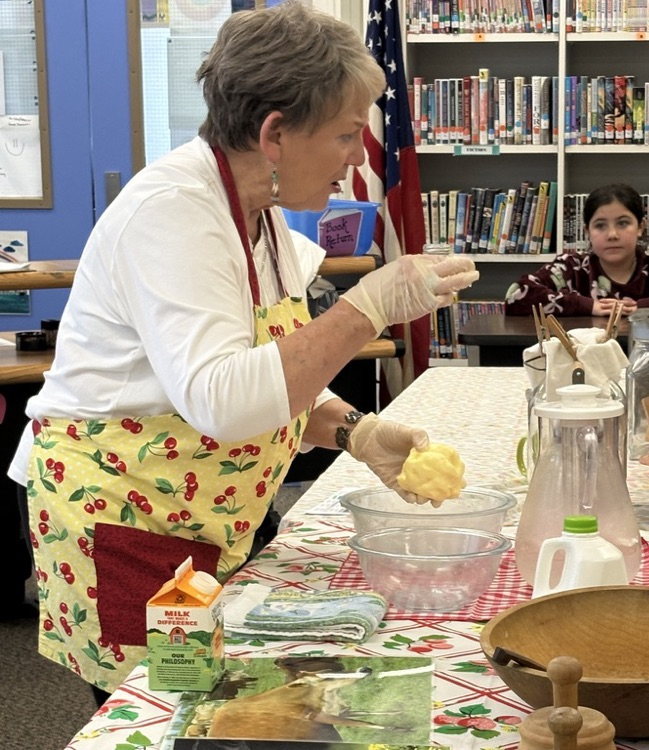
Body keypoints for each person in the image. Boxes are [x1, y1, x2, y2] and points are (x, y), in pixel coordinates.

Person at [7, 3, 478, 701]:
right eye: (348, 135)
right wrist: (368, 305)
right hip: (123, 513)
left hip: (204, 508)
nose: (357, 160)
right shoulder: (173, 214)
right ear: (276, 133)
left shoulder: (262, 216)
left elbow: (276, 366)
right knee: (165, 712)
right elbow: (223, 399)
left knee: (229, 700)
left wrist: (353, 429)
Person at [505, 183, 649, 316]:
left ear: (641, 227)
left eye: (623, 223)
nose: (612, 235)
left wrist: (645, 308)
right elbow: (515, 295)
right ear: (587, 231)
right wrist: (585, 305)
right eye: (600, 225)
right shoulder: (571, 267)